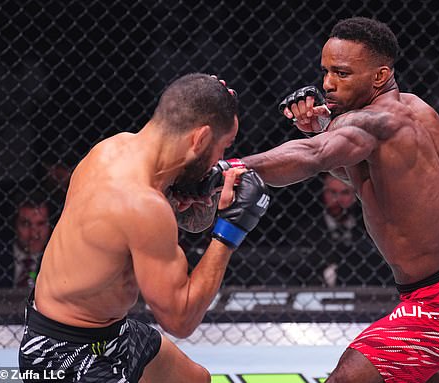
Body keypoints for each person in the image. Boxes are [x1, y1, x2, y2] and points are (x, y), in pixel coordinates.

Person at [236, 17, 439, 383]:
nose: (327, 84)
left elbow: (313, 157)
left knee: (347, 377)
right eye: (325, 71)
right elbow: (364, 176)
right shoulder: (418, 110)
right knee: (419, 368)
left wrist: (231, 168)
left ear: (379, 76)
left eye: (342, 73)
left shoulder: (376, 122)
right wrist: (326, 129)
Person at [19, 73, 270, 382]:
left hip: (105, 331)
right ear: (200, 139)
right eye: (223, 147)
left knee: (195, 379)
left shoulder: (112, 148)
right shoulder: (144, 206)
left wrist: (189, 195)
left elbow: (142, 226)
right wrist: (231, 230)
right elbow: (181, 319)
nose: (220, 160)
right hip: (63, 354)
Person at [0, 194, 51, 288]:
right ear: (14, 225)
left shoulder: (58, 258)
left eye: (41, 224)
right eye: (26, 224)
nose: (34, 234)